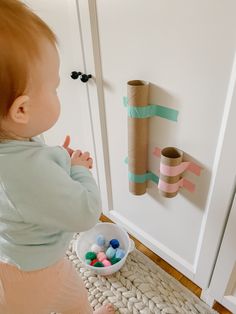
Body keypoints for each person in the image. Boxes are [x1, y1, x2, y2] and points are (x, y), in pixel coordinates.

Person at [0, 1, 115, 313]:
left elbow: (28, 173)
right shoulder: (26, 172)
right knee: (70, 298)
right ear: (21, 109)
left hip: (22, 260)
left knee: (74, 296)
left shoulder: (11, 142)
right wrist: (78, 169)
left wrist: (57, 160)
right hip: (33, 275)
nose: (57, 92)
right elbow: (86, 212)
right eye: (54, 87)